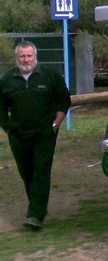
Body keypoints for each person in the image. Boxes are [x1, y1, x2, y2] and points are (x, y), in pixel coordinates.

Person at [0, 41, 71, 230]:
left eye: (29, 55)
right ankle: (38, 206)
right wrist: (8, 128)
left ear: (35, 56)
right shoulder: (7, 80)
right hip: (18, 135)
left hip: (44, 134)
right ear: (17, 58)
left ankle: (35, 215)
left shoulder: (50, 76)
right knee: (27, 173)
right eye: (22, 56)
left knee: (41, 170)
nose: (26, 59)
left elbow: (64, 100)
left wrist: (56, 124)